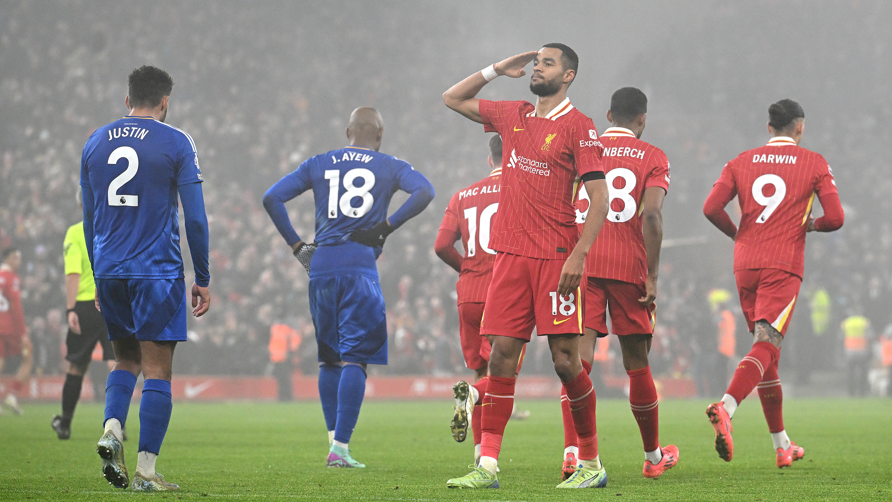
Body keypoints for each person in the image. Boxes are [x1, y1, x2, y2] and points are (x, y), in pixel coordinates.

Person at [442, 44, 610, 489]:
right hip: (510, 259)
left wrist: (579, 255)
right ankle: (488, 466)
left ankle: (591, 464)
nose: (537, 67)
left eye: (547, 63)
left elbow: (601, 201)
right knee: (499, 359)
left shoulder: (580, 127)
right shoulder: (513, 113)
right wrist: (497, 68)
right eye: (536, 62)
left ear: (569, 75)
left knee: (565, 362)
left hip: (556, 259)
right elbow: (452, 98)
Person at [263, 107, 434, 469]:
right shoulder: (389, 164)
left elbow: (271, 198)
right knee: (356, 357)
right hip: (359, 265)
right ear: (380, 134)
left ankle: (332, 442)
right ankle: (340, 449)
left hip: (321, 265)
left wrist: (297, 246)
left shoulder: (319, 162)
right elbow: (425, 191)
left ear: (347, 131)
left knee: (329, 358)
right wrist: (386, 226)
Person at [81, 66, 211, 491]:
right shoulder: (176, 141)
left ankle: (113, 427)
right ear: (165, 102)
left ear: (127, 99)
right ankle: (146, 473)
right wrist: (203, 275)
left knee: (125, 360)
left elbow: (89, 217)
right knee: (157, 371)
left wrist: (98, 275)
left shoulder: (95, 141)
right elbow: (194, 217)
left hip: (109, 268)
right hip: (156, 270)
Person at [703, 99, 844, 468]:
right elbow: (836, 218)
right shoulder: (814, 163)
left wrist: (739, 237)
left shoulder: (740, 161)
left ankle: (782, 445)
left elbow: (710, 207)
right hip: (783, 263)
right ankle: (727, 406)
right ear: (799, 127)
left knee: (768, 354)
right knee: (767, 344)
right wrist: (811, 225)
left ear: (769, 128)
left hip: (745, 263)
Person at [567, 88, 677, 480]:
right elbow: (652, 218)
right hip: (629, 268)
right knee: (637, 364)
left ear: (609, 114)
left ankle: (574, 454)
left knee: (577, 361)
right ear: (642, 119)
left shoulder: (585, 148)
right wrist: (652, 273)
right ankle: (652, 456)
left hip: (583, 262)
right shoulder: (654, 157)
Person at [435, 135, 528, 464]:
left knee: (481, 371)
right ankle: (472, 397)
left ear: (490, 160)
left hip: (470, 294)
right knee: (501, 378)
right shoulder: (523, 189)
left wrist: (469, 270)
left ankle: (479, 457)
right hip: (506, 291)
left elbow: (441, 245)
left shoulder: (462, 195)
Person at [51, 190, 116, 440]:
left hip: (87, 305)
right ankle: (116, 424)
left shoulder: (76, 232)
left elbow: (73, 273)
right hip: (112, 302)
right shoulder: (113, 227)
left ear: (80, 205)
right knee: (118, 363)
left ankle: (65, 423)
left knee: (77, 365)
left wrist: (70, 309)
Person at [0, 247, 31, 415]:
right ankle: (12, 395)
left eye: (19, 258)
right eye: (14, 258)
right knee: (28, 357)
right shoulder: (12, 278)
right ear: (6, 259)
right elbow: (16, 306)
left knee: (1, 359)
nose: (17, 262)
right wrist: (23, 332)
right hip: (11, 328)